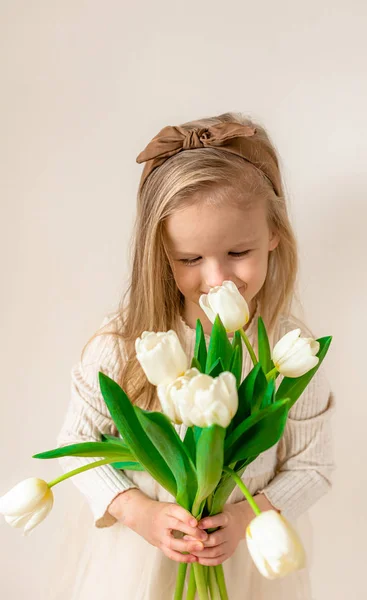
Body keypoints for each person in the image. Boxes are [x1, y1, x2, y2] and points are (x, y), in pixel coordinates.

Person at [56, 112, 335, 600]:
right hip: (143, 557)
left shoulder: (291, 353)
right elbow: (78, 442)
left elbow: (313, 466)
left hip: (245, 557)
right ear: (160, 253)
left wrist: (247, 514)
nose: (217, 278)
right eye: (190, 259)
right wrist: (139, 513)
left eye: (238, 251)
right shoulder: (124, 346)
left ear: (274, 234)